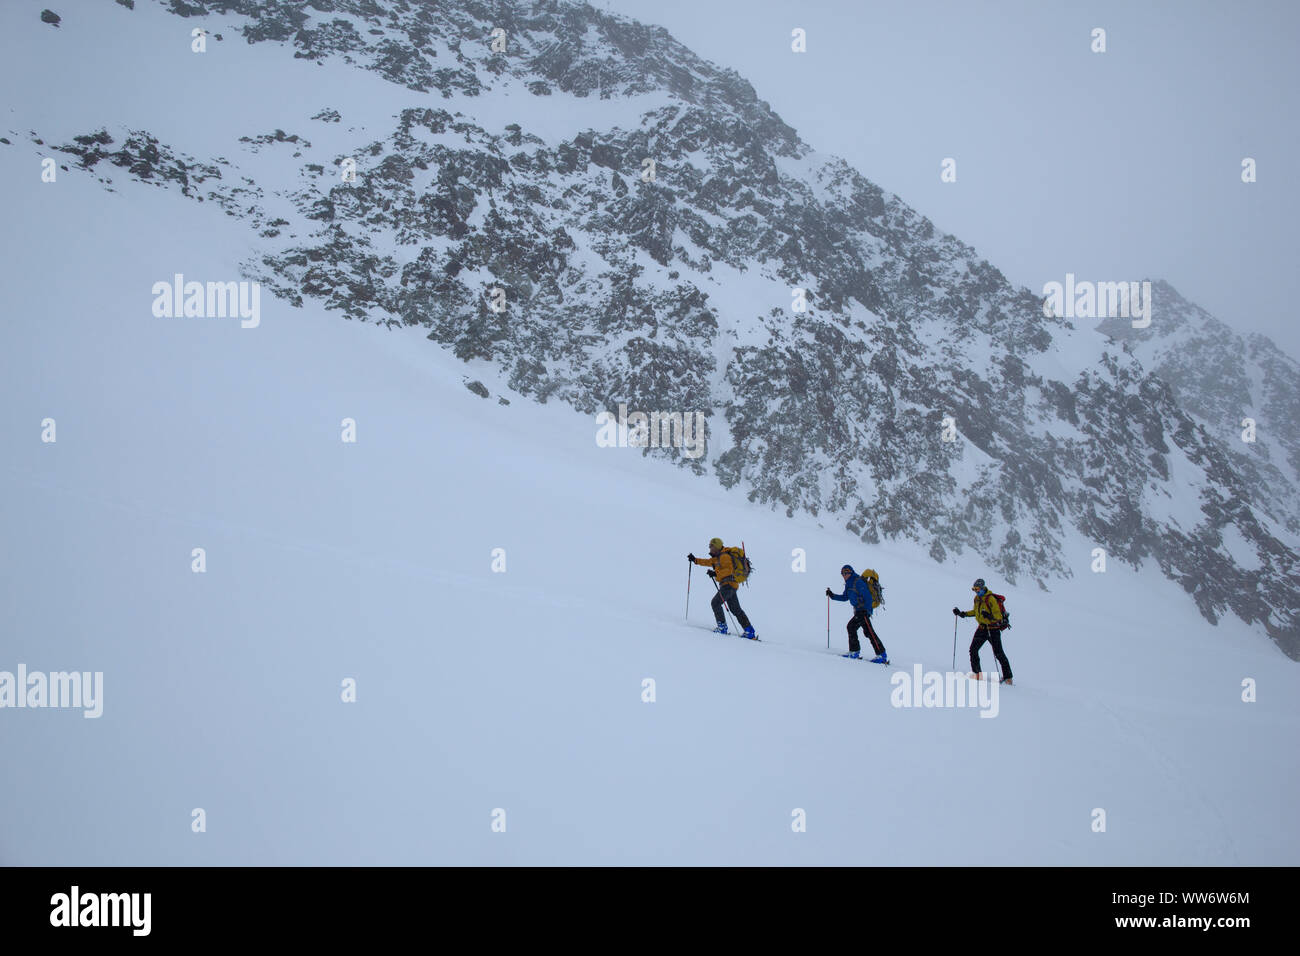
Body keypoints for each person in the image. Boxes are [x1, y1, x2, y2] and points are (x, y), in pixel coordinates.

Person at [688, 538, 756, 639]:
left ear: (717, 547)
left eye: (711, 546)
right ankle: (749, 630)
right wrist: (695, 560)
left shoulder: (724, 556)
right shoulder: (718, 558)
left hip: (728, 585)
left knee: (715, 602)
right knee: (735, 609)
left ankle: (722, 627)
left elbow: (729, 570)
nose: (710, 548)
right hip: (730, 585)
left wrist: (716, 573)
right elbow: (707, 562)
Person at [953, 578, 1013, 685]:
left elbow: (998, 616)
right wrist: (963, 614)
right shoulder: (977, 599)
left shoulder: (990, 599)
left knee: (998, 653)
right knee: (973, 650)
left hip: (993, 629)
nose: (976, 591)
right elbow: (976, 612)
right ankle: (977, 674)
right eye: (974, 589)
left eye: (977, 589)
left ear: (983, 588)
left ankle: (1008, 678)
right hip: (982, 628)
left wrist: (989, 616)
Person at [826, 564, 888, 663]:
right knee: (868, 632)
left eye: (846, 572)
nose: (844, 575)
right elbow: (845, 597)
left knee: (852, 627)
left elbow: (868, 597)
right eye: (843, 573)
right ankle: (880, 654)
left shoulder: (858, 581)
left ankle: (858, 652)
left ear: (851, 572)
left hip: (863, 611)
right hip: (859, 611)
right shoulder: (848, 584)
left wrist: (866, 610)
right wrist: (832, 595)